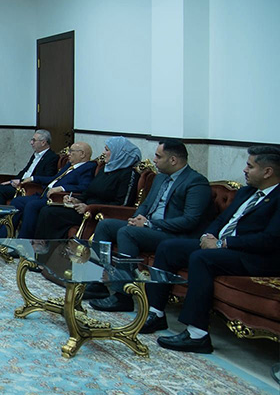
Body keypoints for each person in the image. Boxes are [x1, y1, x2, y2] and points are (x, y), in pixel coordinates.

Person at [138, 146, 280, 352]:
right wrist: (207, 236)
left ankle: (198, 334)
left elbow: (269, 240)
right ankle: (155, 313)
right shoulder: (247, 192)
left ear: (267, 172)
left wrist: (223, 244)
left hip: (255, 256)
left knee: (202, 258)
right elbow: (222, 220)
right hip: (223, 246)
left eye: (250, 166)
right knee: (168, 247)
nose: (244, 170)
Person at [87, 138, 211, 311]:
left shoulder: (196, 182)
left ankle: (123, 296)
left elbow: (189, 220)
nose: (154, 160)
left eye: (158, 156)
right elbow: (145, 205)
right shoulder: (160, 178)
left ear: (173, 160)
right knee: (106, 225)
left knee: (127, 233)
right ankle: (97, 283)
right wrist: (135, 219)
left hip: (171, 234)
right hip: (148, 227)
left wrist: (149, 224)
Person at [0, 142, 96, 241]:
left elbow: (85, 186)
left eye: (72, 151)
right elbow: (53, 179)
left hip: (56, 199)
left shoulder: (88, 167)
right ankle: (2, 236)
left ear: (82, 154)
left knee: (32, 205)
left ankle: (24, 242)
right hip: (43, 194)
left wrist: (62, 188)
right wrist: (33, 178)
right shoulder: (69, 165)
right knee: (17, 201)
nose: (68, 154)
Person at [34, 137, 142, 240]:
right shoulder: (106, 169)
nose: (103, 153)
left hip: (98, 214)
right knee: (46, 210)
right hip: (84, 209)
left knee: (50, 213)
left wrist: (90, 208)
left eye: (107, 150)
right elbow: (90, 191)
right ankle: (41, 248)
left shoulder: (129, 174)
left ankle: (48, 248)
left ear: (119, 153)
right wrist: (76, 200)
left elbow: (122, 204)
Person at [0, 129, 59, 233]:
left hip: (29, 187)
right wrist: (11, 181)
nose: (31, 143)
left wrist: (22, 182)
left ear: (43, 142)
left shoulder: (51, 157)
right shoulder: (35, 155)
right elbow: (25, 171)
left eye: (34, 140)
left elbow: (46, 177)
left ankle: (0, 225)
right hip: (20, 184)